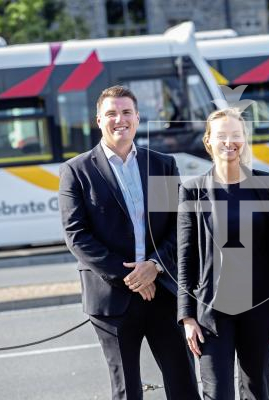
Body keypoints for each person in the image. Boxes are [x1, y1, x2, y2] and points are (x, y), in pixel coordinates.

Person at [58, 85, 199, 400]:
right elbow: (76, 234)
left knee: (184, 385)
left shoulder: (161, 164)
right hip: (111, 300)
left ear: (137, 117)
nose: (119, 119)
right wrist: (131, 277)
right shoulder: (76, 171)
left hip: (163, 292)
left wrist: (154, 266)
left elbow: (180, 224)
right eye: (111, 113)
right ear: (99, 120)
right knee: (127, 391)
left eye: (126, 112)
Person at [177, 108, 269, 400]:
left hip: (260, 308)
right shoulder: (191, 191)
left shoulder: (264, 185)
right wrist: (186, 316)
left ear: (244, 140)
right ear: (208, 141)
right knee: (216, 393)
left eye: (236, 135)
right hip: (211, 312)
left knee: (256, 391)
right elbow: (185, 259)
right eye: (221, 136)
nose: (229, 142)